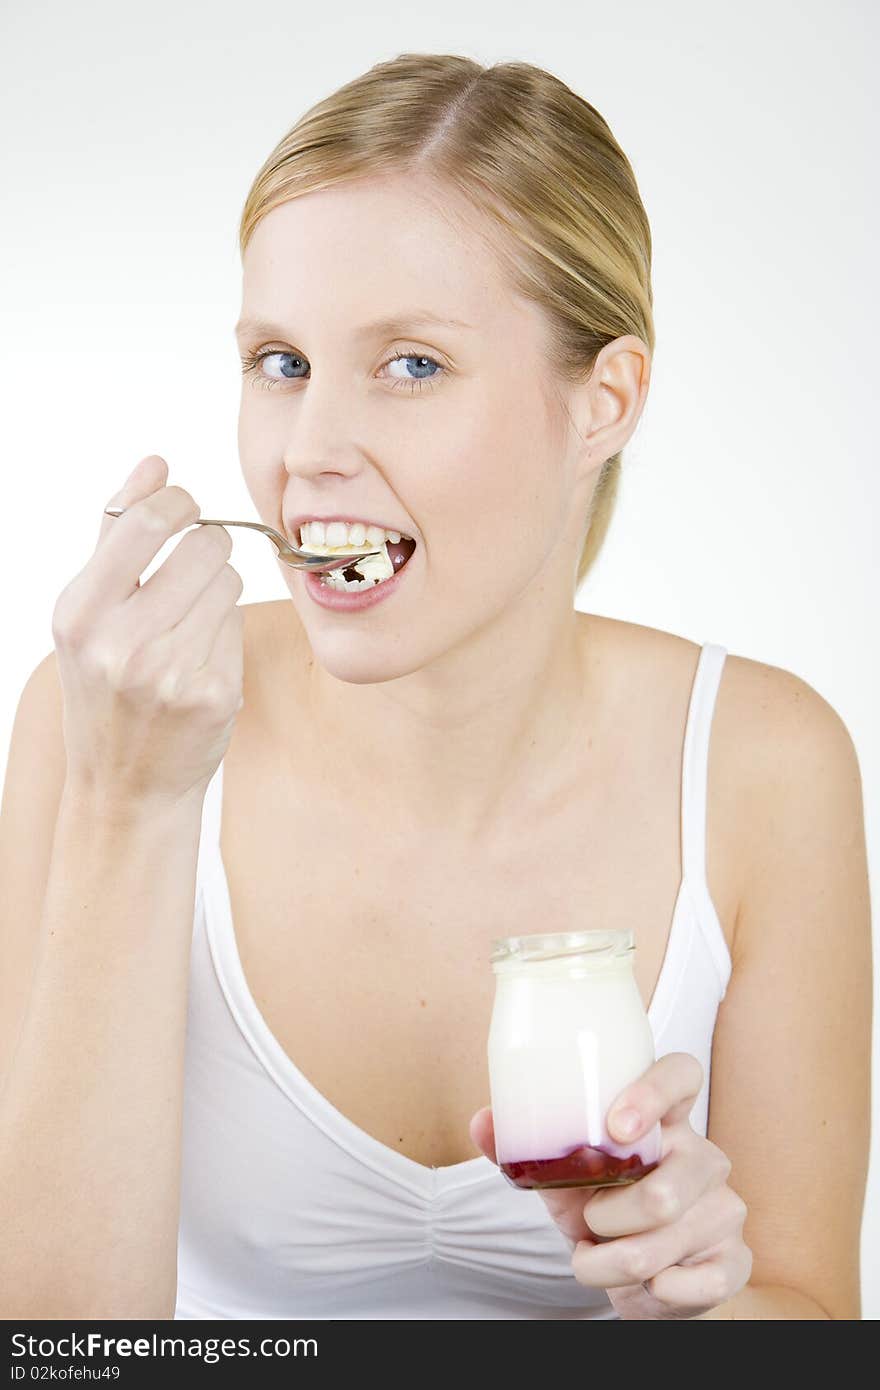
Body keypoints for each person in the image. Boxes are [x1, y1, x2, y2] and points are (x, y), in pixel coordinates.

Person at [0, 53, 870, 1322]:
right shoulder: (106, 717)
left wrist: (689, 1301)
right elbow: (60, 1350)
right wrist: (133, 809)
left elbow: (809, 1319)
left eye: (410, 364)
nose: (306, 453)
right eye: (281, 362)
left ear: (604, 401)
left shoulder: (762, 762)